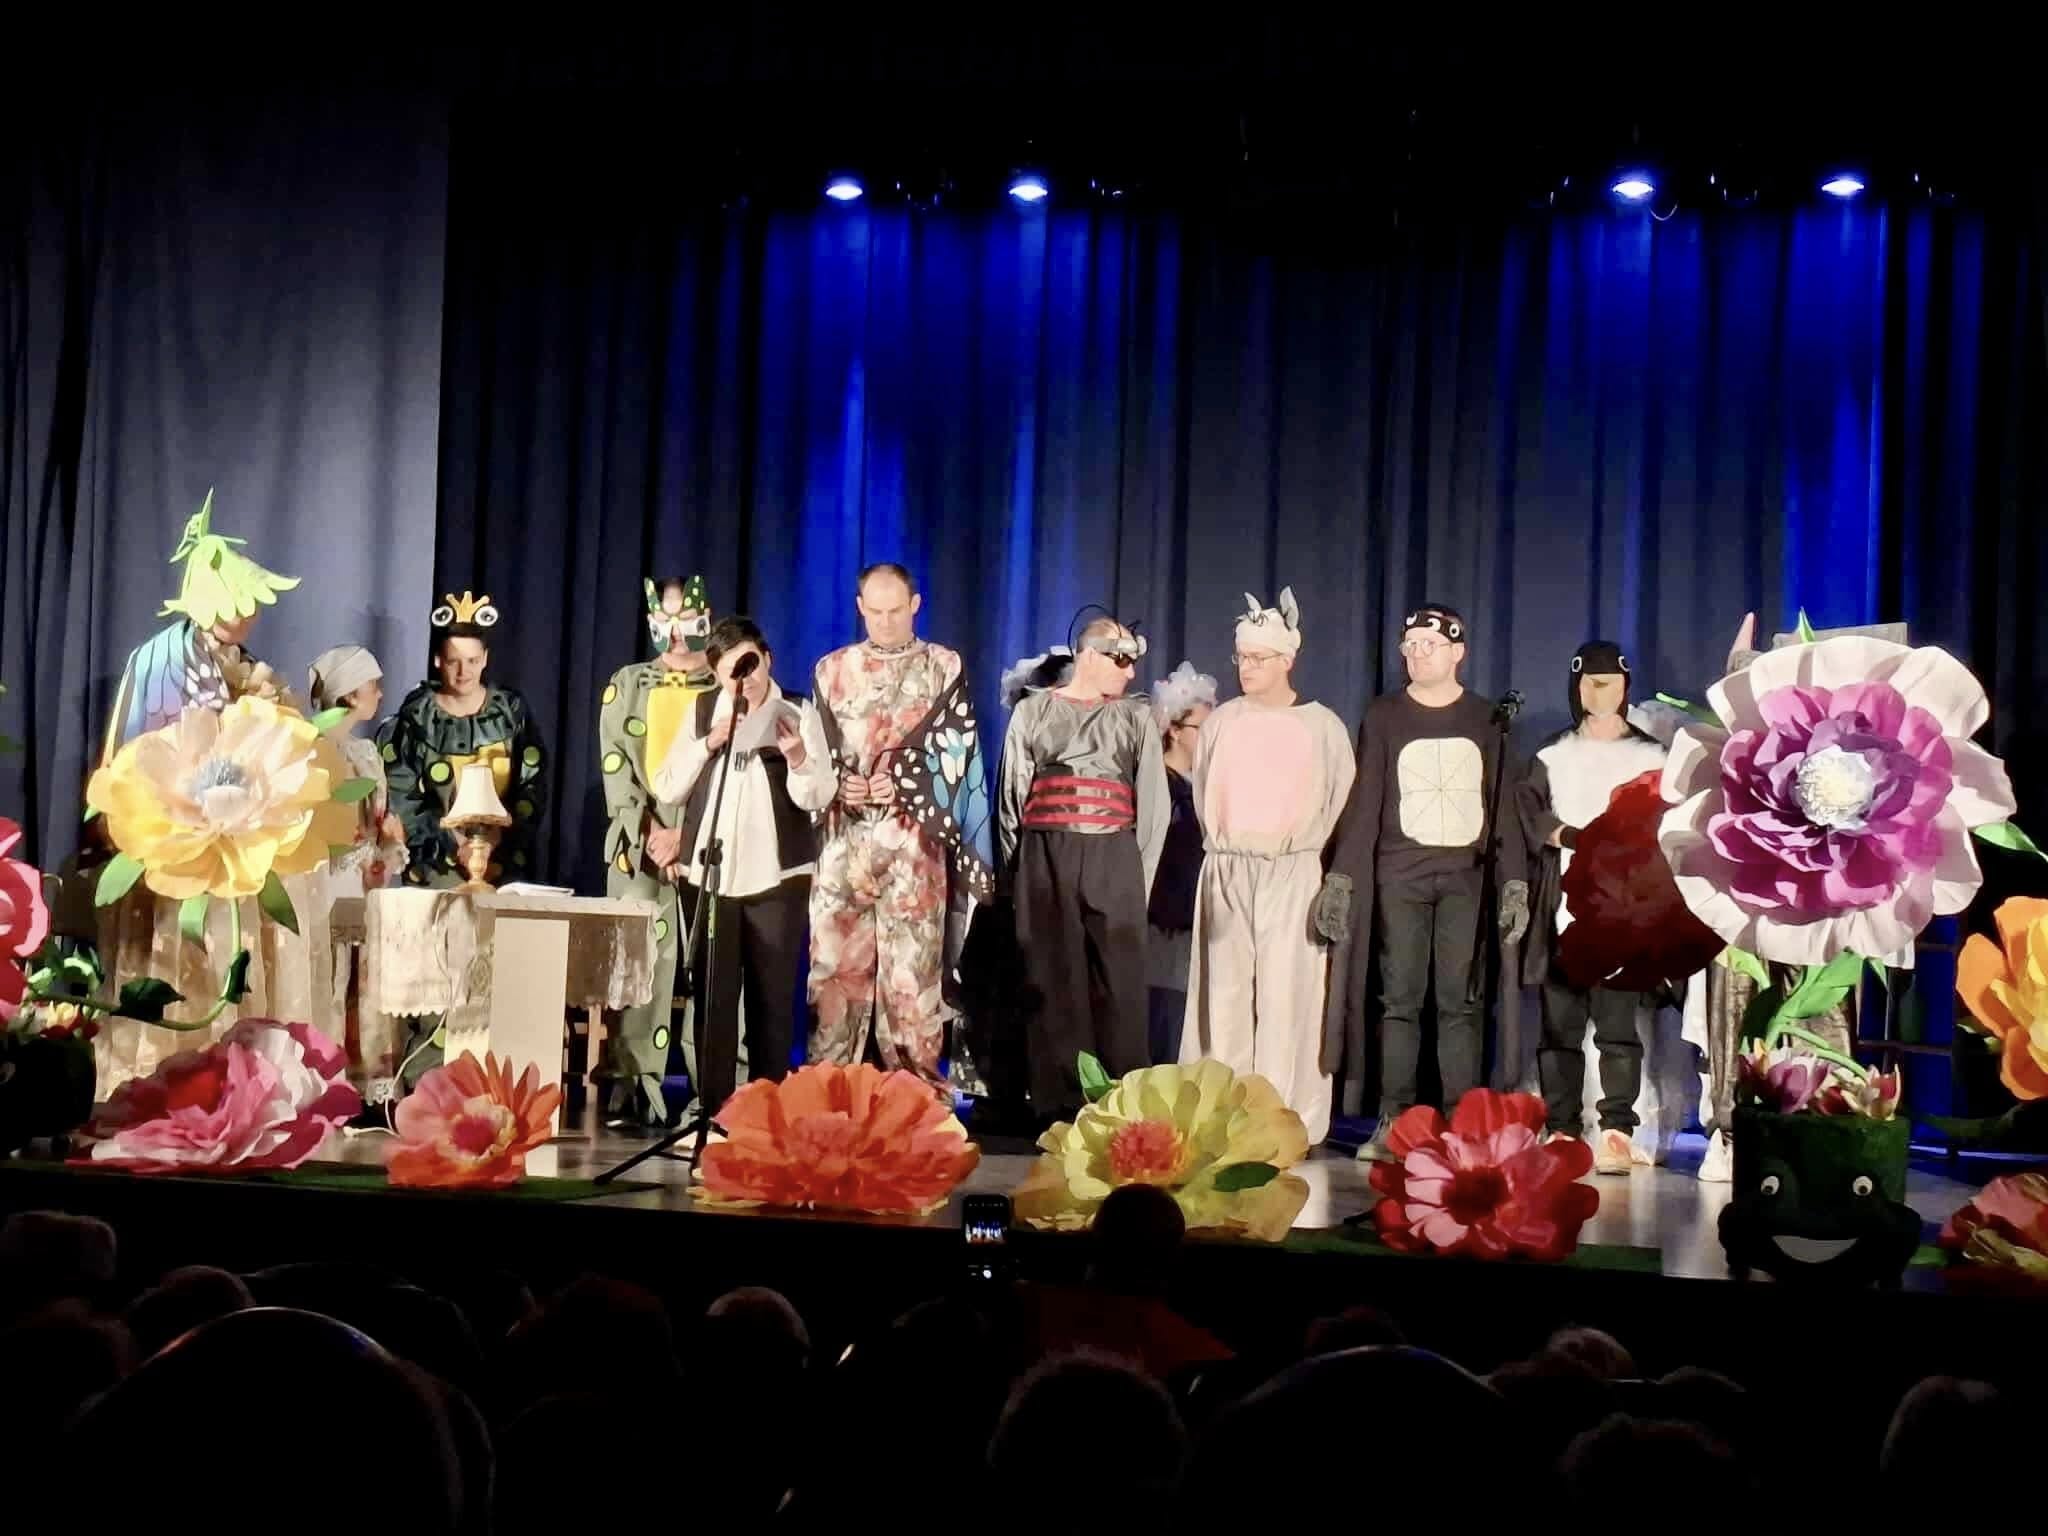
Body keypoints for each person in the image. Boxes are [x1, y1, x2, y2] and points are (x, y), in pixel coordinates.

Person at [1328, 603, 1529, 1162]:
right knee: (1399, 1000)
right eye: (1410, 645)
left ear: (1458, 652)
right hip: (1401, 876)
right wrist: (1342, 877)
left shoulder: (1486, 719)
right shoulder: (1384, 715)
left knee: (1459, 1002)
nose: (1417, 654)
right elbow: (1365, 801)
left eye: (1429, 645)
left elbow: (1503, 809)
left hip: (1466, 879)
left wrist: (1513, 882)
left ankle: (1463, 1126)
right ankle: (1396, 1120)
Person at [807, 563, 992, 1102]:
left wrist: (908, 782)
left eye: (895, 611)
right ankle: (826, 1093)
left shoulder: (942, 666)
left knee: (912, 977)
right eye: (875, 611)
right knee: (833, 970)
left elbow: (960, 748)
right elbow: (812, 753)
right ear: (859, 608)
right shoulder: (831, 670)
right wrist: (839, 783)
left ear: (915, 605)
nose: (885, 622)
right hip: (844, 844)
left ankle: (919, 1099)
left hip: (914, 846)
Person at [1180, 590, 1355, 1144]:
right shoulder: (1222, 722)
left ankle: (1282, 1118)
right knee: (1225, 995)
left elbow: (1338, 799)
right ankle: (1220, 1117)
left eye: (1258, 657)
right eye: (1241, 657)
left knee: (1287, 996)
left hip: (1292, 871)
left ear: (1287, 660)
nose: (1247, 667)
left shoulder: (1322, 726)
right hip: (1229, 868)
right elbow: (1204, 789)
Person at [654, 616, 834, 1119]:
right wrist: (708, 743)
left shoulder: (797, 710)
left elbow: (819, 794)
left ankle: (767, 1116)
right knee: (713, 1000)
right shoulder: (702, 711)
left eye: (751, 666)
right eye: (733, 671)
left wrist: (797, 756)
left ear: (768, 659)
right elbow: (667, 786)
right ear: (716, 675)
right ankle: (714, 1111)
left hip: (777, 879)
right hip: (710, 878)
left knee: (771, 1003)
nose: (746, 679)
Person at [998, 616, 1169, 1120]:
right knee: (1053, 979)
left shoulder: (1135, 719)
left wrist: (1137, 880)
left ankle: (1124, 1105)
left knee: (1119, 983)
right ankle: (1060, 1106)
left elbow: (1153, 807)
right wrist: (1017, 875)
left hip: (1113, 855)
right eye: (1122, 660)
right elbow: (1012, 797)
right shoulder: (1033, 711)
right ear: (1090, 655)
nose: (1131, 672)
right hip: (1046, 855)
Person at [1517, 641, 1669, 1175]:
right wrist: (1568, 835)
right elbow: (1529, 815)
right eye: (1589, 682)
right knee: (1559, 1027)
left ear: (1625, 688)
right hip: (1563, 908)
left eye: (1609, 683)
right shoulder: (1551, 754)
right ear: (1575, 687)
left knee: (1617, 1028)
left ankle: (1616, 1131)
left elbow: (1668, 825)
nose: (1598, 692)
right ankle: (1561, 1127)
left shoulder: (1652, 757)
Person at [596, 575, 720, 1128]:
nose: (674, 633)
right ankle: (632, 1086)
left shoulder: (724, 685)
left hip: (712, 845)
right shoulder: (628, 684)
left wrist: (686, 837)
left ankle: (716, 1092)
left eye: (684, 620)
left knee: (713, 965)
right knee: (637, 961)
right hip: (640, 845)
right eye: (663, 621)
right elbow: (616, 764)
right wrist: (650, 833)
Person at [100, 491, 298, 759]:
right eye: (242, 607)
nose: (251, 617)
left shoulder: (236, 655)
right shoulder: (168, 656)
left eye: (254, 606)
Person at [377, 592, 547, 887]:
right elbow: (404, 796)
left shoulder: (510, 711)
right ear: (438, 660)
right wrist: (456, 843)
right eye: (453, 661)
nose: (463, 671)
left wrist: (491, 841)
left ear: (485, 660)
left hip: (502, 859)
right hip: (436, 864)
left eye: (472, 660)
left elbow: (531, 783)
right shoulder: (417, 718)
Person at [307, 644, 410, 1109]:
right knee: (331, 974)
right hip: (328, 878)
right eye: (372, 686)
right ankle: (324, 1078)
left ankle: (366, 1083)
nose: (379, 693)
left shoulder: (366, 752)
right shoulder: (313, 748)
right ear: (350, 694)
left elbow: (379, 822)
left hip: (364, 881)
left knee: (362, 980)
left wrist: (388, 841)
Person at [1147, 661, 1217, 1064]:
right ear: (1174, 730)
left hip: (1193, 924)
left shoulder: (1202, 790)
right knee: (1163, 1017)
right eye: (1200, 729)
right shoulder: (1158, 787)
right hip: (1161, 925)